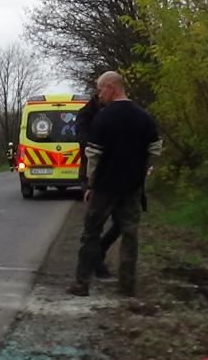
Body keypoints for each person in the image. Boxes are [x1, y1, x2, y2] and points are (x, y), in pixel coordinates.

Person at [67, 72, 162, 297]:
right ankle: (127, 285)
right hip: (132, 187)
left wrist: (90, 184)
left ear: (111, 87)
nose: (99, 95)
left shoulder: (104, 118)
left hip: (104, 187)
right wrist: (143, 169)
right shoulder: (144, 116)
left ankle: (81, 284)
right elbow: (155, 149)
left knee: (90, 233)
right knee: (130, 234)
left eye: (101, 90)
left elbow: (93, 154)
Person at [75, 93, 118, 278]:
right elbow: (86, 142)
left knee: (121, 222)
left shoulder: (114, 111)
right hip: (90, 174)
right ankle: (97, 266)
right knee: (95, 223)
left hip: (115, 174)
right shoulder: (84, 115)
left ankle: (100, 249)